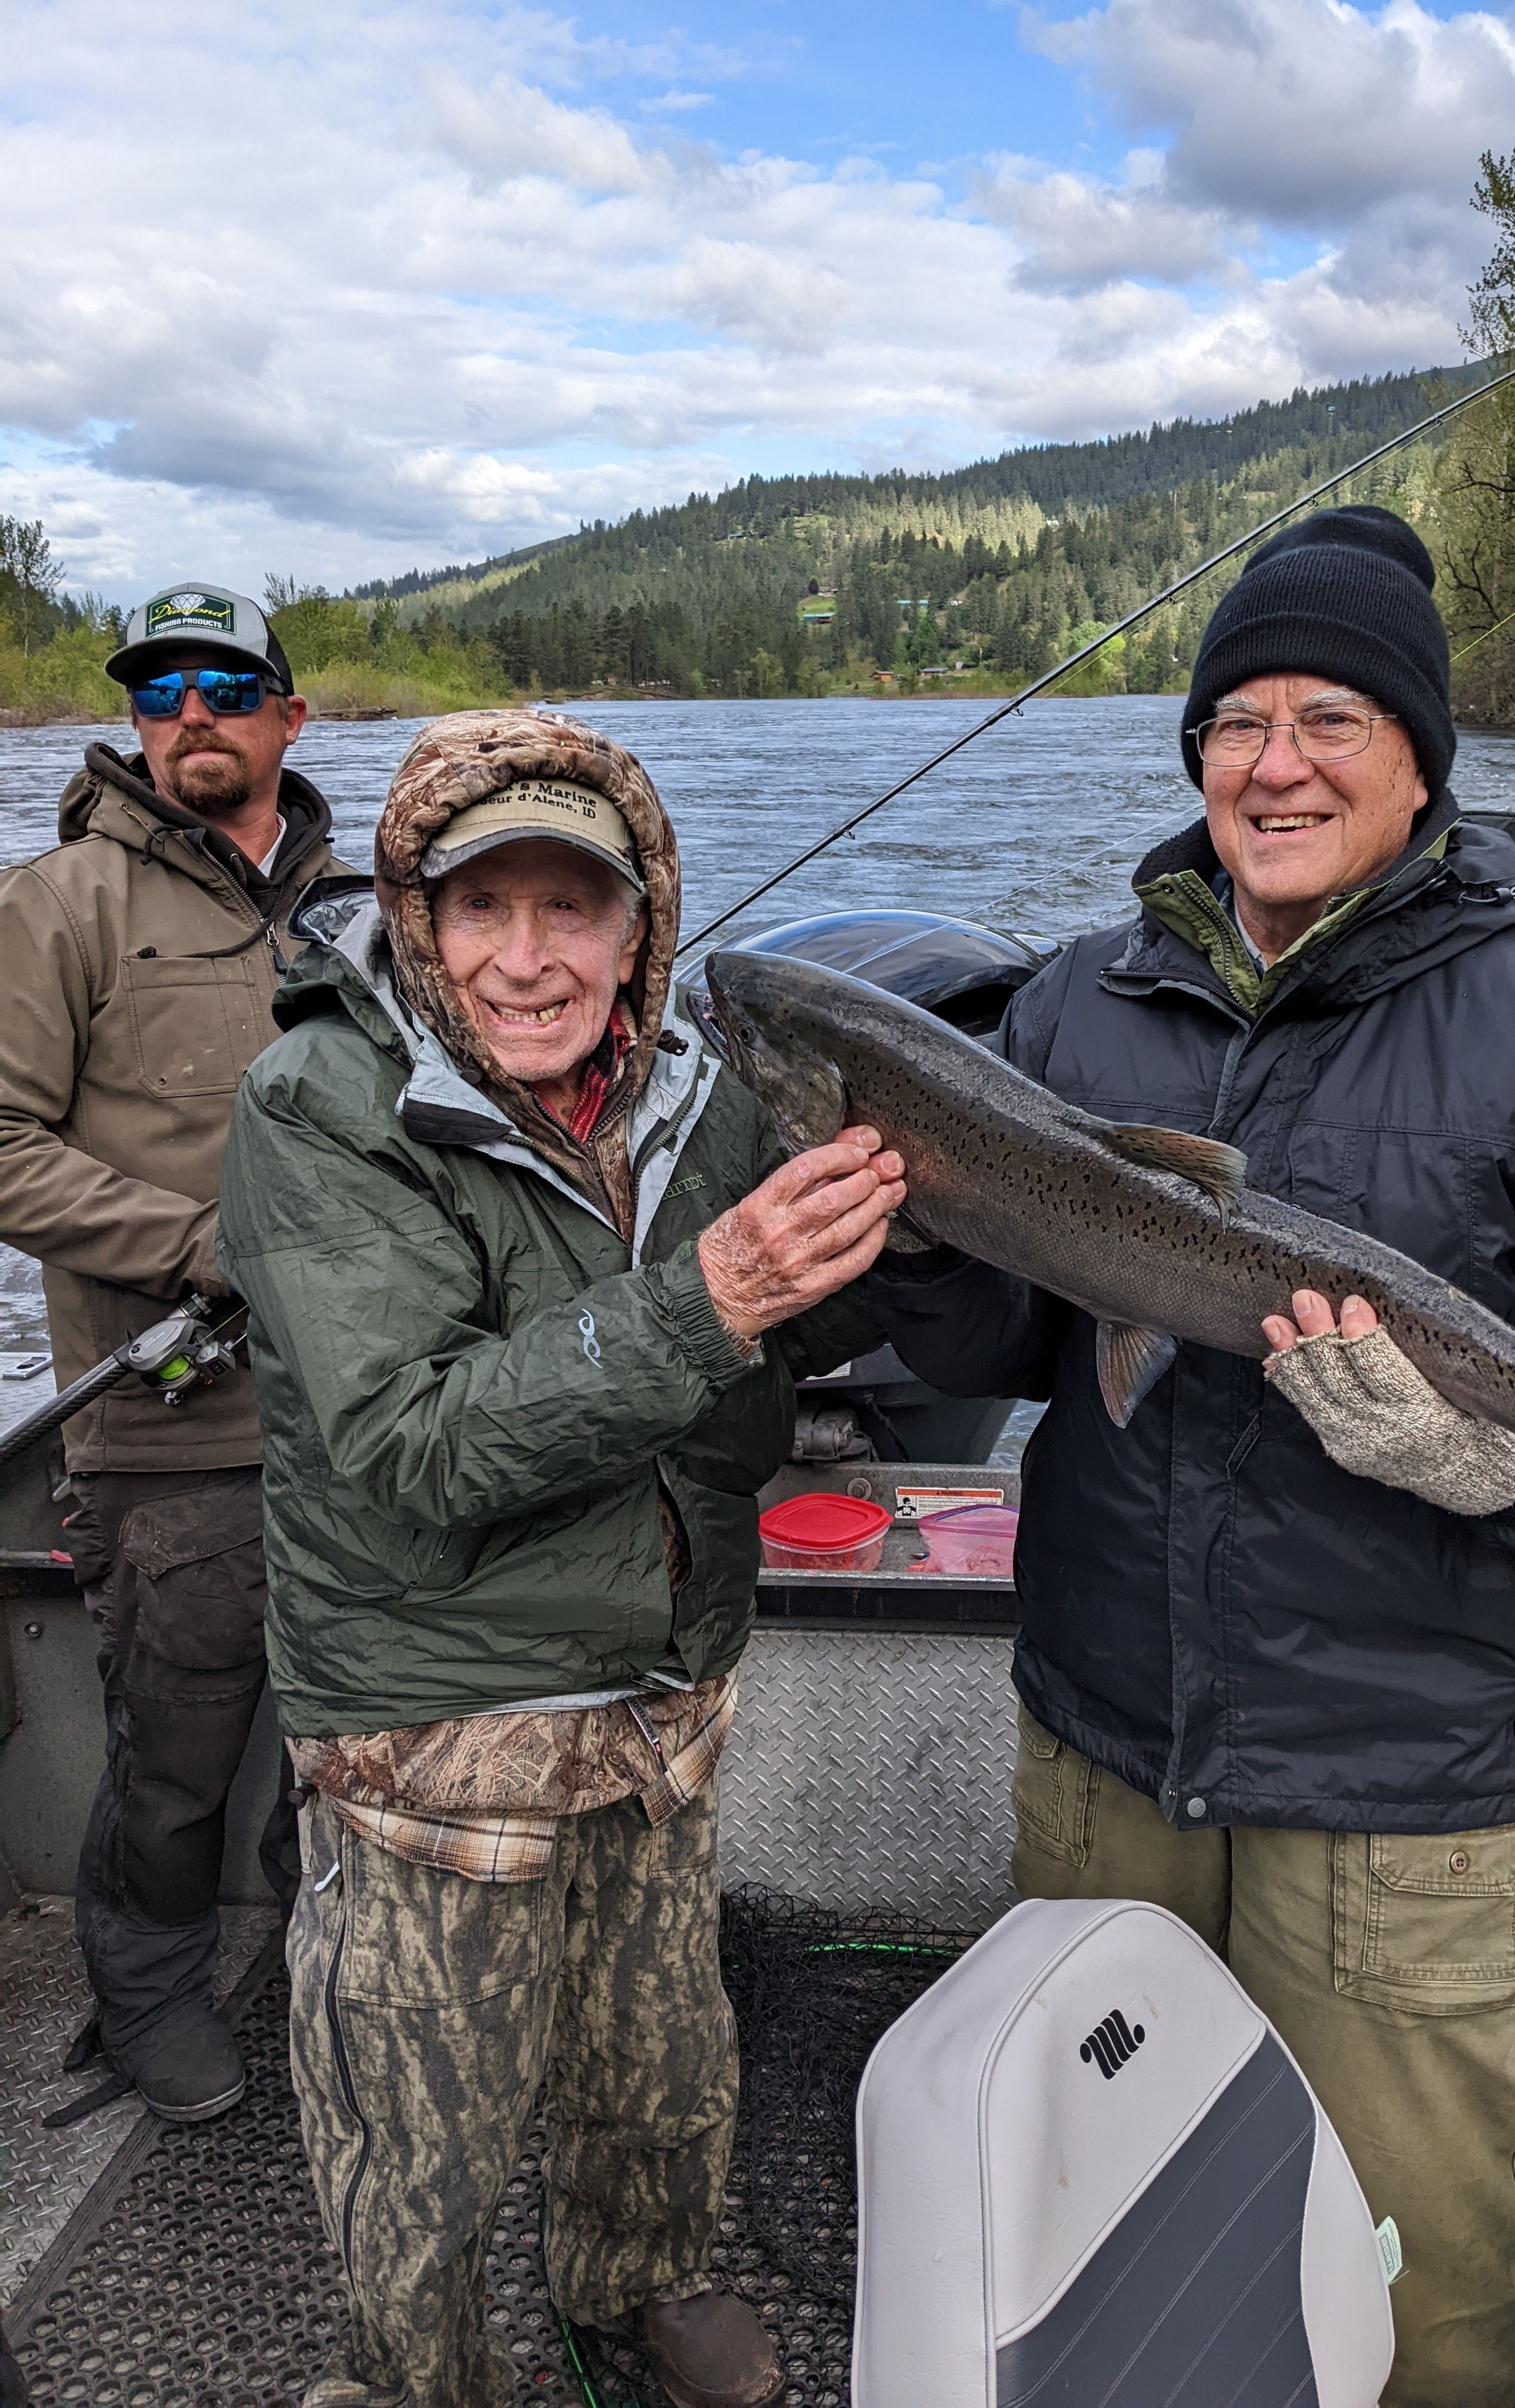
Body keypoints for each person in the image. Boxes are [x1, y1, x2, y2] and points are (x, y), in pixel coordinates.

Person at [872, 506, 1515, 2407]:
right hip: (1107, 1731)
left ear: (1421, 757)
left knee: (1427, 2286)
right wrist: (924, 1237)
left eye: (1330, 718)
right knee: (1093, 2230)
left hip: (1400, 1768)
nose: (1272, 762)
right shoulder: (1072, 1004)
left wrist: (1502, 1461)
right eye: (1236, 719)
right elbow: (997, 1346)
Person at [216, 708, 900, 2408]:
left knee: (662, 2065)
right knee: (420, 2128)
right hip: (434, 1724)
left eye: (572, 910)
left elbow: (773, 1366)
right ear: (419, 921)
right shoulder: (317, 1105)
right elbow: (413, 1444)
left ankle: (643, 2290)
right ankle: (420, 2375)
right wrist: (713, 1298)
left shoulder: (702, 1097)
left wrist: (883, 1257)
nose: (528, 962)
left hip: (662, 1696)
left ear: (639, 926)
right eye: (481, 910)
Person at [0, 582, 341, 2120]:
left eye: (221, 684)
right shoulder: (58, 904)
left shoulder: (374, 901)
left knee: (354, 1729)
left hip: (374, 1420)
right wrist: (200, 1248)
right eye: (158, 692)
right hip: (170, 1431)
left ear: (286, 711)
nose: (189, 714)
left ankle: (320, 1954)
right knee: (173, 1756)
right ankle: (143, 1997)